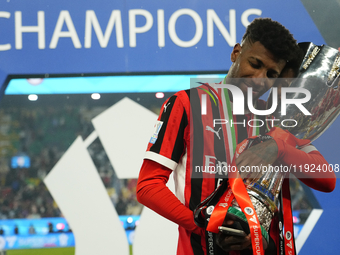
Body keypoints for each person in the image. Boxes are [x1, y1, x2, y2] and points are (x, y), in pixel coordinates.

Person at [136, 18, 336, 255]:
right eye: (255, 63)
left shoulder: (275, 120)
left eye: (271, 74)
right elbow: (148, 186)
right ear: (236, 53)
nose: (260, 79)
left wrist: (278, 149)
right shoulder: (186, 104)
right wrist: (205, 227)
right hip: (200, 247)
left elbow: (327, 179)